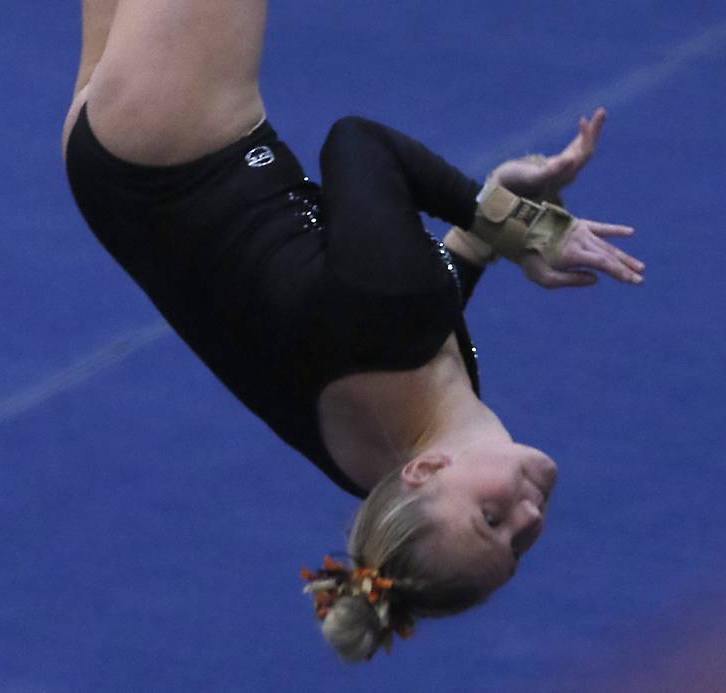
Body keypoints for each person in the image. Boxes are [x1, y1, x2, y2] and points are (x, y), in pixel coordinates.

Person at [62, 0, 645, 662]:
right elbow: (398, 324)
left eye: (491, 520)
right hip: (118, 175)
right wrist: (482, 235)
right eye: (514, 546)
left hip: (173, 125)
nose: (528, 520)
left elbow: (358, 141)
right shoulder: (381, 463)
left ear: (426, 470)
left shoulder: (395, 313)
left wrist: (519, 227)